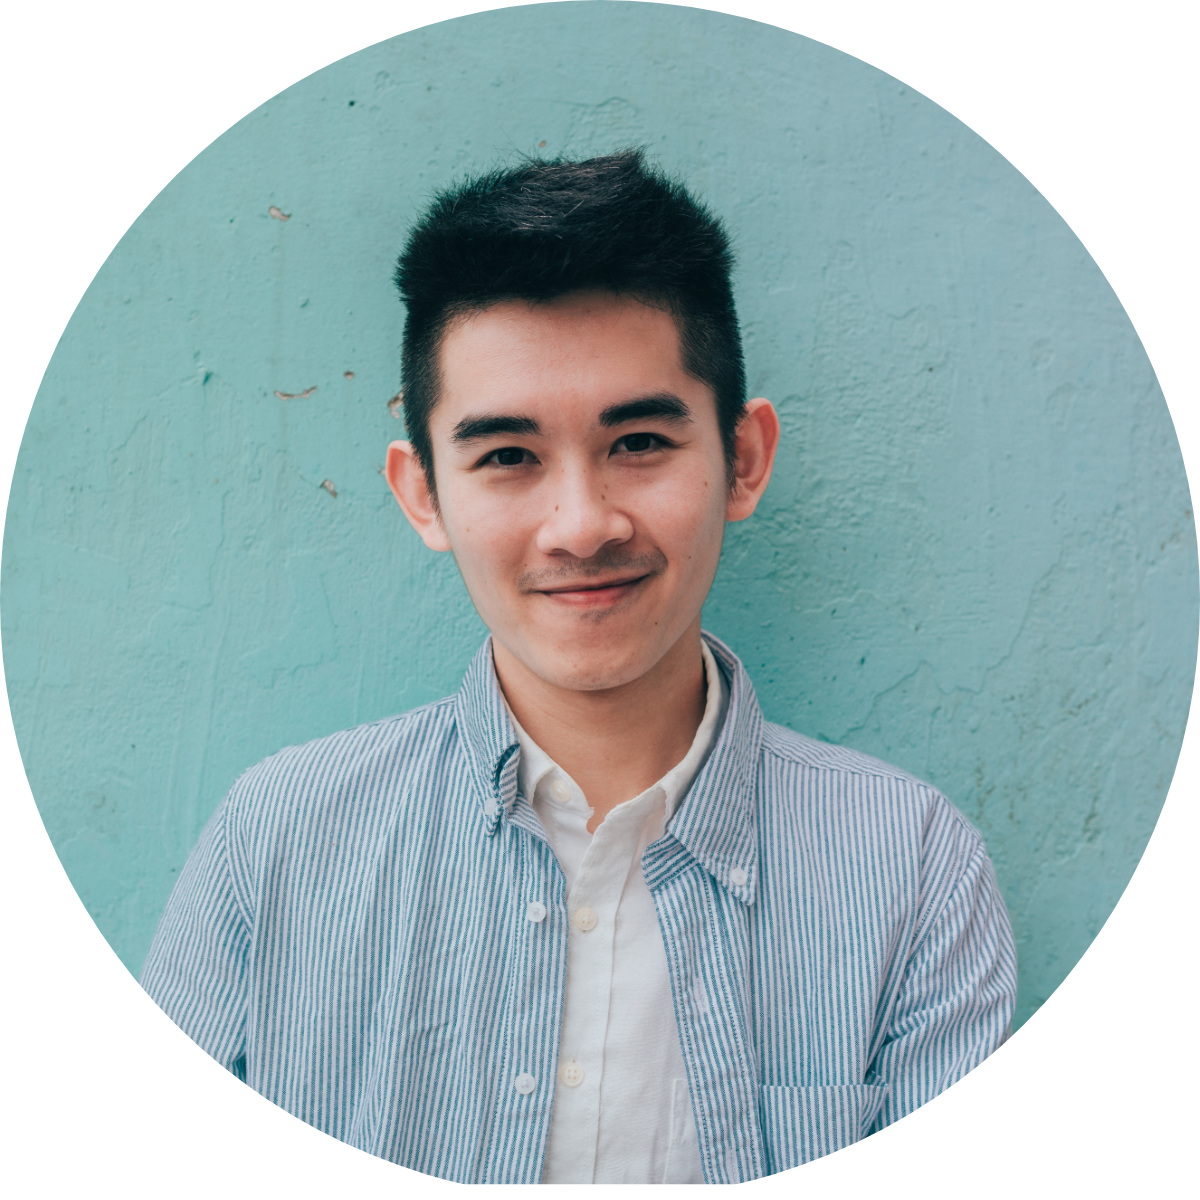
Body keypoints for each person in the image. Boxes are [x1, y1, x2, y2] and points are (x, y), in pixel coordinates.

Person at [141, 150, 1016, 1184]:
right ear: (423, 494)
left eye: (638, 441)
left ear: (742, 460)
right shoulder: (275, 843)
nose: (582, 526)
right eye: (507, 456)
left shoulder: (912, 870)